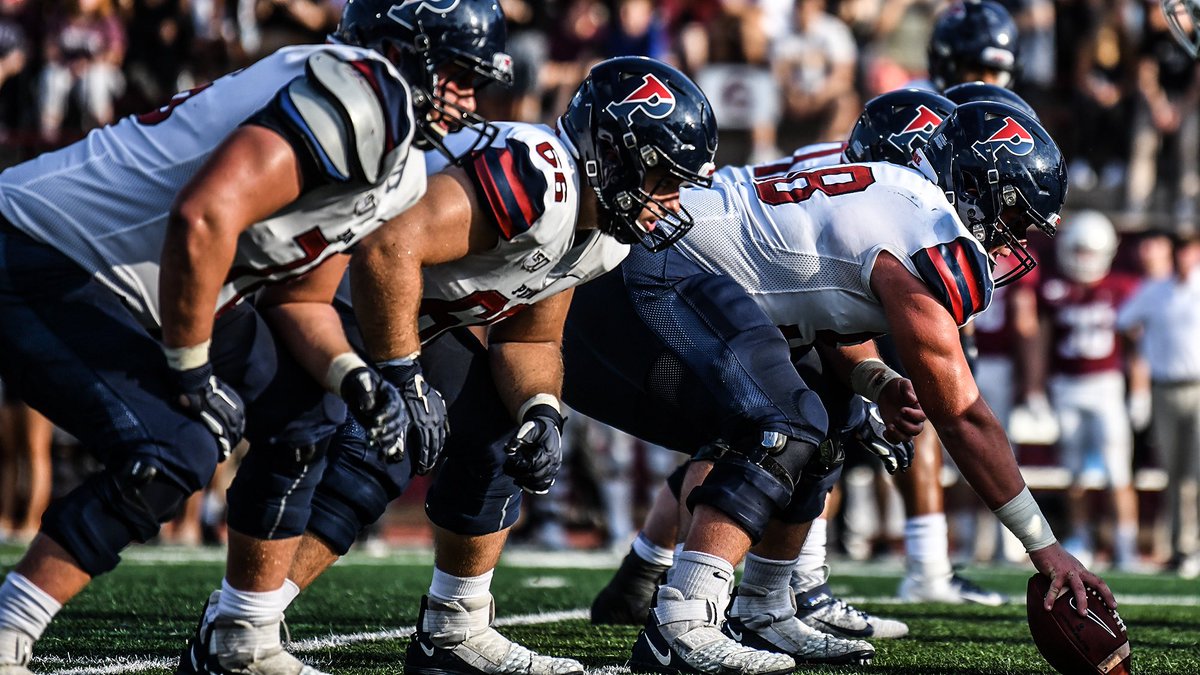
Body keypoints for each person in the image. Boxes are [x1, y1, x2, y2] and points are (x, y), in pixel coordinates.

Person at [0, 0, 513, 673]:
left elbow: (299, 296)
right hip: (47, 251)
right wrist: (191, 370)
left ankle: (241, 635)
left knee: (308, 404)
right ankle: (10, 628)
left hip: (151, 281)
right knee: (176, 442)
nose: (468, 98)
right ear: (403, 52)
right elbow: (204, 215)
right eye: (454, 73)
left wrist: (353, 377)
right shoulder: (361, 92)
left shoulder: (400, 163)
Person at [176, 55, 720, 675]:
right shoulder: (541, 176)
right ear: (611, 156)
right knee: (377, 450)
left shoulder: (605, 235)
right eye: (661, 177)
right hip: (324, 288)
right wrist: (404, 375)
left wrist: (540, 411)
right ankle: (239, 625)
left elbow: (529, 342)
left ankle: (455, 630)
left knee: (495, 436)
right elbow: (387, 248)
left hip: (400, 313)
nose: (670, 202)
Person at [562, 101, 1115, 675]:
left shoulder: (895, 193)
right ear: (976, 190)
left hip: (683, 273)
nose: (1011, 242)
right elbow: (964, 417)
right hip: (650, 271)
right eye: (1012, 221)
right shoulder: (923, 228)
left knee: (832, 412)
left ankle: (764, 609)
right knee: (783, 421)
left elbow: (816, 299)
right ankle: (680, 624)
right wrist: (1043, 545)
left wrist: (876, 379)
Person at [588, 88, 956, 644]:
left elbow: (828, 319)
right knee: (774, 423)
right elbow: (823, 310)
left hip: (724, 286)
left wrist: (875, 383)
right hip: (678, 278)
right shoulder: (880, 204)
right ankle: (697, 610)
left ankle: (682, 581)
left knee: (811, 415)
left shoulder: (848, 178)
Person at [1033, 211, 1141, 569]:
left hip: (1107, 385)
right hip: (1066, 385)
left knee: (1117, 470)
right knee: (1074, 471)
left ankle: (1126, 543)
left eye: (1089, 252)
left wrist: (1138, 389)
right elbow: (1041, 341)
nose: (1082, 260)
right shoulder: (1055, 289)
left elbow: (1134, 343)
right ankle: (1081, 537)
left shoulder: (1122, 288)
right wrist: (1036, 388)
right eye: (1077, 251)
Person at [1117, 231, 1200, 578]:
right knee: (1174, 473)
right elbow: (1123, 322)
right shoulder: (1155, 291)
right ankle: (1183, 549)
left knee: (1195, 475)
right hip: (1164, 388)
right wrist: (1141, 356)